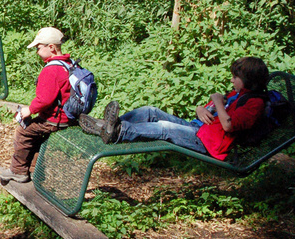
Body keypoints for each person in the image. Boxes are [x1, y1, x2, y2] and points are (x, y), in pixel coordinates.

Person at [79, 57, 270, 161]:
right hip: (200, 129)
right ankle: (106, 125)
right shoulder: (238, 94)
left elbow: (228, 126)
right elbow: (210, 110)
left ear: (248, 80)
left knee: (164, 128)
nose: (231, 80)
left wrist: (219, 101)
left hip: (206, 143)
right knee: (150, 111)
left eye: (235, 78)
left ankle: (117, 132)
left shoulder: (254, 103)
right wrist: (199, 109)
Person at [0, 27, 72, 184]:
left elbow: (45, 99)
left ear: (51, 47)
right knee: (34, 133)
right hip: (66, 116)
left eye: (39, 47)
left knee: (23, 132)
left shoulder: (52, 70)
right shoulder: (68, 64)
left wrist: (29, 110)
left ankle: (18, 171)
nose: (37, 52)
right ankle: (33, 170)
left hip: (55, 120)